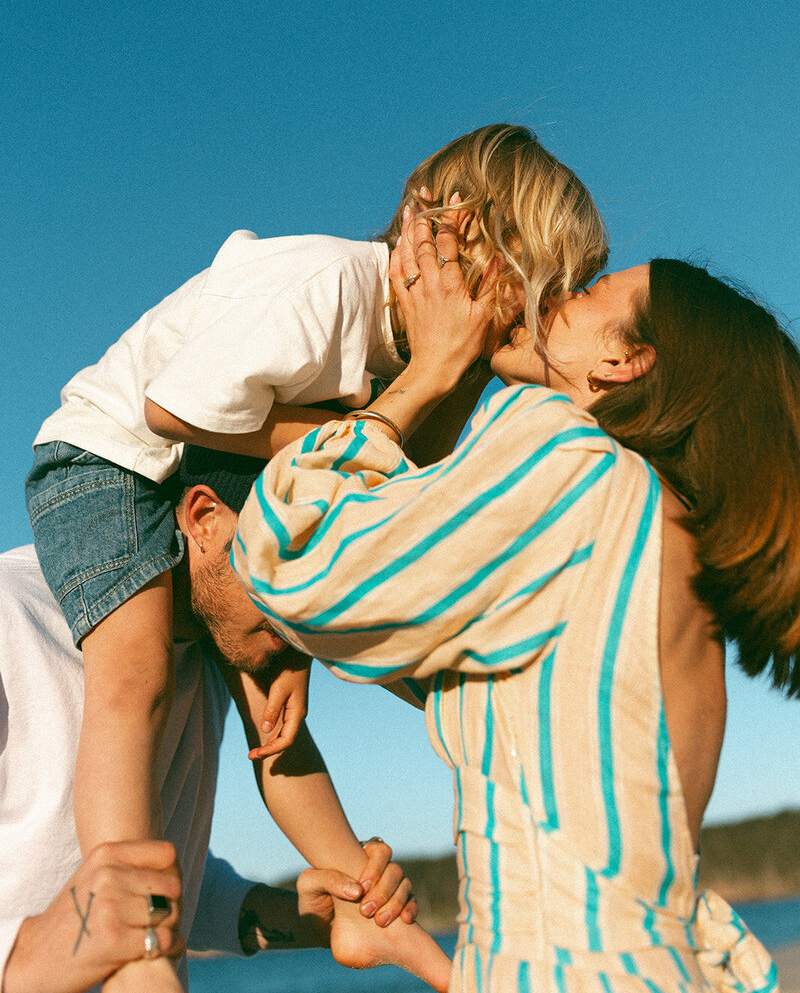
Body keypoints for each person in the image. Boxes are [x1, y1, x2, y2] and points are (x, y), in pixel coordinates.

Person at [24, 126, 607, 988]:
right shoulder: (326, 283)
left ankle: (369, 922)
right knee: (135, 678)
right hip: (109, 459)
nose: (505, 329)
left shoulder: (410, 367)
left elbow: (392, 544)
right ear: (429, 232)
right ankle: (128, 930)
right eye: (506, 296)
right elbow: (172, 408)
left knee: (278, 727)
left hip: (206, 484)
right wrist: (375, 417)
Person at [228, 211, 798, 992]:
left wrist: (423, 372)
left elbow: (289, 559)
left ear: (626, 359)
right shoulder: (665, 532)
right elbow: (517, 716)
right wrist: (302, 650)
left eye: (592, 291)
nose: (557, 293)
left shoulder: (577, 468)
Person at [2, 455, 443, 993]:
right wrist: (23, 958)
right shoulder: (10, 616)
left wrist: (297, 915)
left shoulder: (212, 655)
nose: (305, 608)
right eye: (291, 561)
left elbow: (164, 878)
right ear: (204, 518)